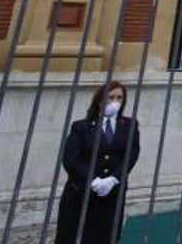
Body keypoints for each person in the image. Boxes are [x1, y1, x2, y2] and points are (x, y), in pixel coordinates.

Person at [56, 81, 140, 244]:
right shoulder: (81, 126)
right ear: (100, 100)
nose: (115, 102)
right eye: (110, 98)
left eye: (119, 98)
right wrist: (92, 180)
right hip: (81, 193)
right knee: (72, 236)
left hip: (111, 195)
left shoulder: (129, 125)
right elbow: (71, 158)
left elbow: (131, 154)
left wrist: (113, 179)